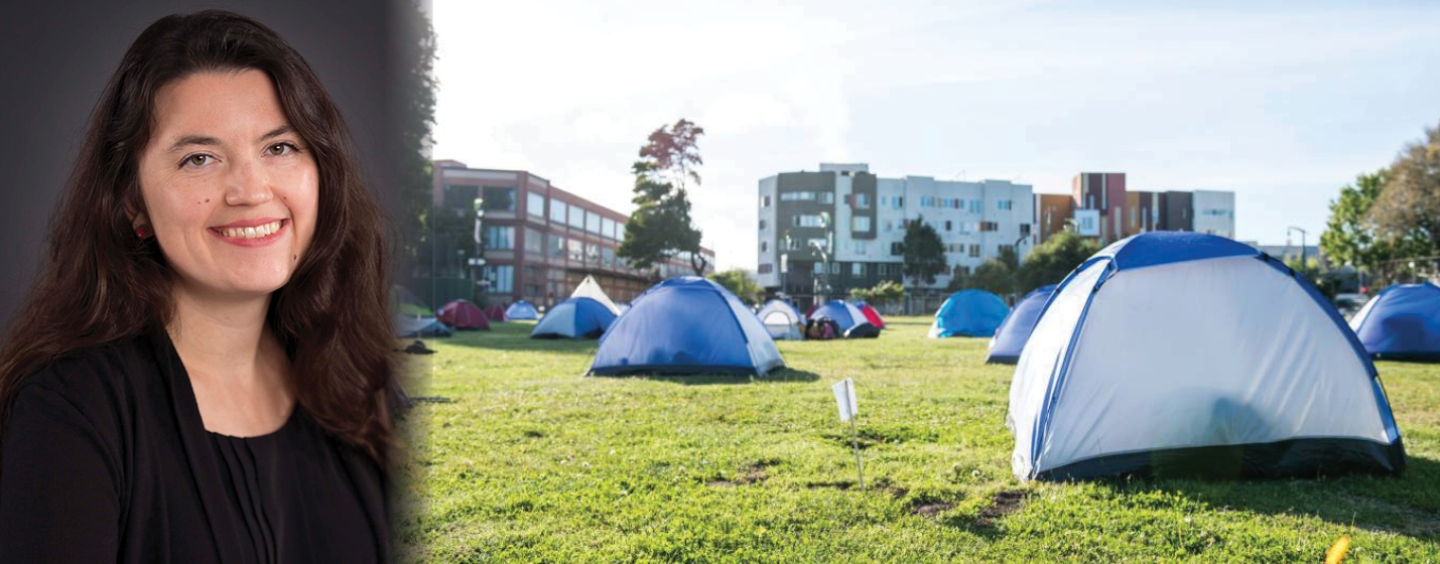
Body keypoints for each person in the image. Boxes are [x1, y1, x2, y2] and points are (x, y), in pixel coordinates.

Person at [0, 10, 402, 563]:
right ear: (133, 204)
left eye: (279, 148)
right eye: (199, 158)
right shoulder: (69, 411)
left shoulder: (357, 379)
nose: (250, 190)